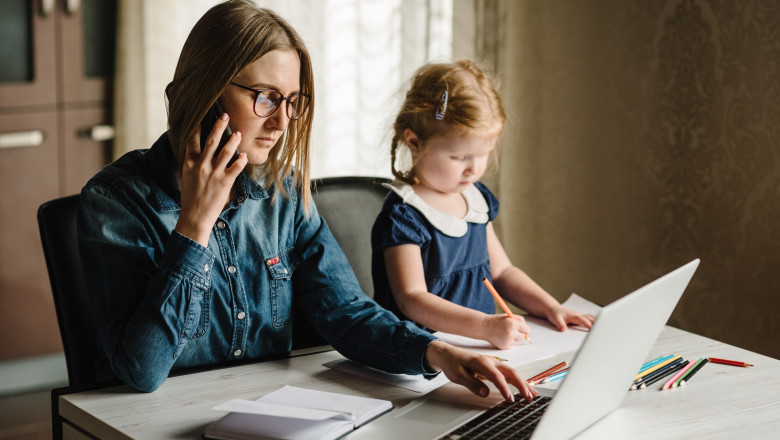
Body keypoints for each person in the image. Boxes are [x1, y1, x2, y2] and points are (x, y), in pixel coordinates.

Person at [77, 0, 537, 402]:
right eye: (266, 97)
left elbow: (344, 311)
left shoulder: (284, 194)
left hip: (266, 413)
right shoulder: (115, 201)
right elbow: (142, 372)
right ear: (207, 89)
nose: (282, 121)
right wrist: (194, 227)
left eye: (293, 100)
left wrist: (435, 351)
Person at [371, 60, 595, 350]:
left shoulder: (476, 200)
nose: (473, 169)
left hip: (478, 348)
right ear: (414, 142)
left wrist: (551, 307)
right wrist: (484, 326)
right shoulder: (404, 215)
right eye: (458, 156)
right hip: (423, 356)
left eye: (484, 154)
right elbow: (412, 299)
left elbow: (502, 272)